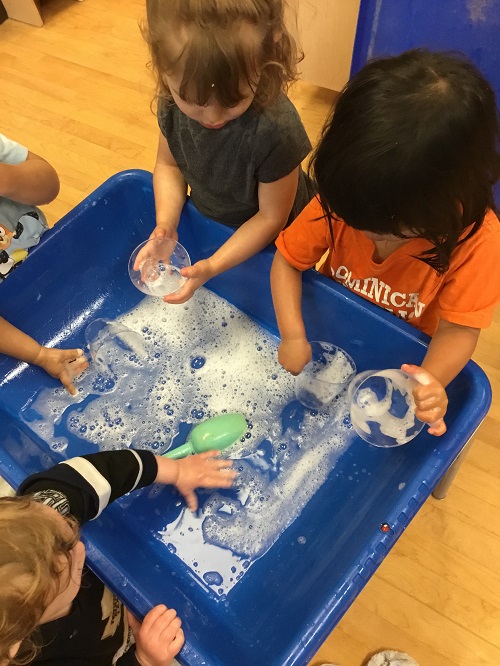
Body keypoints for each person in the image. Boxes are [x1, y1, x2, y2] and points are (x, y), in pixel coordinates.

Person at [271, 49, 500, 435]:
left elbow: (459, 330)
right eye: (354, 219)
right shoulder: (350, 197)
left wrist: (429, 382)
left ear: (447, 199)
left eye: (385, 227)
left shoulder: (478, 241)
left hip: (402, 355)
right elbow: (287, 261)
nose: (364, 232)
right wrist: (293, 334)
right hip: (333, 332)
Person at [139, 0, 314, 304]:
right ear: (163, 70)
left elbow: (271, 218)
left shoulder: (276, 130)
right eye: (194, 101)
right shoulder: (170, 103)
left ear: (265, 61)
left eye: (234, 99)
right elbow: (169, 167)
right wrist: (166, 224)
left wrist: (213, 266)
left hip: (279, 243)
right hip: (216, 223)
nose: (213, 117)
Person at [0, 448, 237, 665]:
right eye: (70, 564)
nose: (79, 545)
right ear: (17, 644)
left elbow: (96, 474)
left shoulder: (32, 522)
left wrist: (176, 470)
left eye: (66, 533)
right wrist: (144, 659)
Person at [0, 133, 87, 394]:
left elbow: (48, 185)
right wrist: (39, 355)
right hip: (13, 314)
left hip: (50, 252)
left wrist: (6, 178)